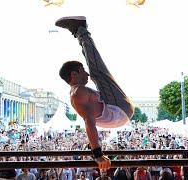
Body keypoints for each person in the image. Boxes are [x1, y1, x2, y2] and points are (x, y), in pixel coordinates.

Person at [57, 16, 134, 171]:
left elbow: (90, 118)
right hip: (119, 109)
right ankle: (81, 30)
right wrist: (97, 153)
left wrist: (94, 147)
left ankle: (79, 33)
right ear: (74, 74)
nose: (86, 74)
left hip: (117, 114)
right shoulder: (78, 92)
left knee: (95, 73)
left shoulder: (77, 94)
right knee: (98, 72)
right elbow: (88, 121)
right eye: (82, 71)